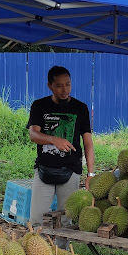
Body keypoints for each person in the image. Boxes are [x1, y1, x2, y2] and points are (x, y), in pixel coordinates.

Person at [27, 66, 95, 226]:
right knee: (36, 221)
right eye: (59, 85)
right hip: (44, 168)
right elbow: (33, 134)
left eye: (68, 84)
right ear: (50, 86)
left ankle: (62, 250)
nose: (65, 89)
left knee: (66, 220)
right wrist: (53, 140)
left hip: (71, 170)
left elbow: (88, 143)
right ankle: (37, 249)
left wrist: (91, 174)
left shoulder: (81, 108)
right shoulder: (39, 105)